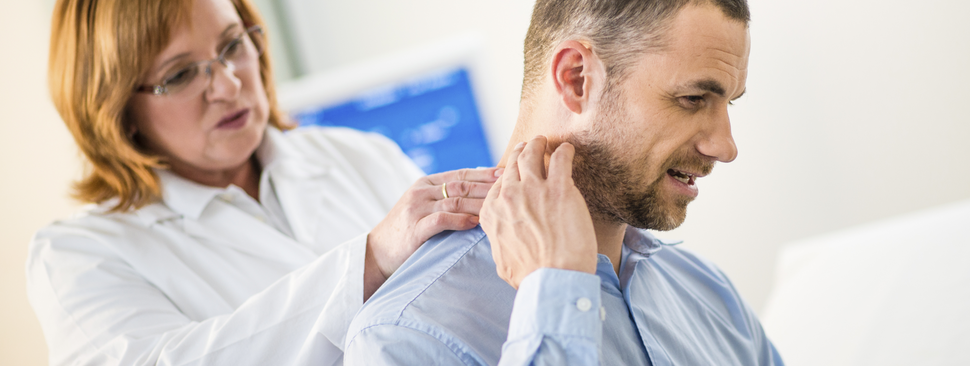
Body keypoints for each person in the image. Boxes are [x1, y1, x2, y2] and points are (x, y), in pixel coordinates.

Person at [26, 0, 500, 365]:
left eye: (232, 46)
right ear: (118, 109)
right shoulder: (79, 256)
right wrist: (370, 260)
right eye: (181, 74)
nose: (228, 85)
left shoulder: (358, 155)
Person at [344, 0, 784, 365]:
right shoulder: (407, 338)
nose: (725, 147)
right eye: (692, 99)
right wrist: (556, 295)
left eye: (728, 103)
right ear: (576, 79)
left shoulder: (709, 295)